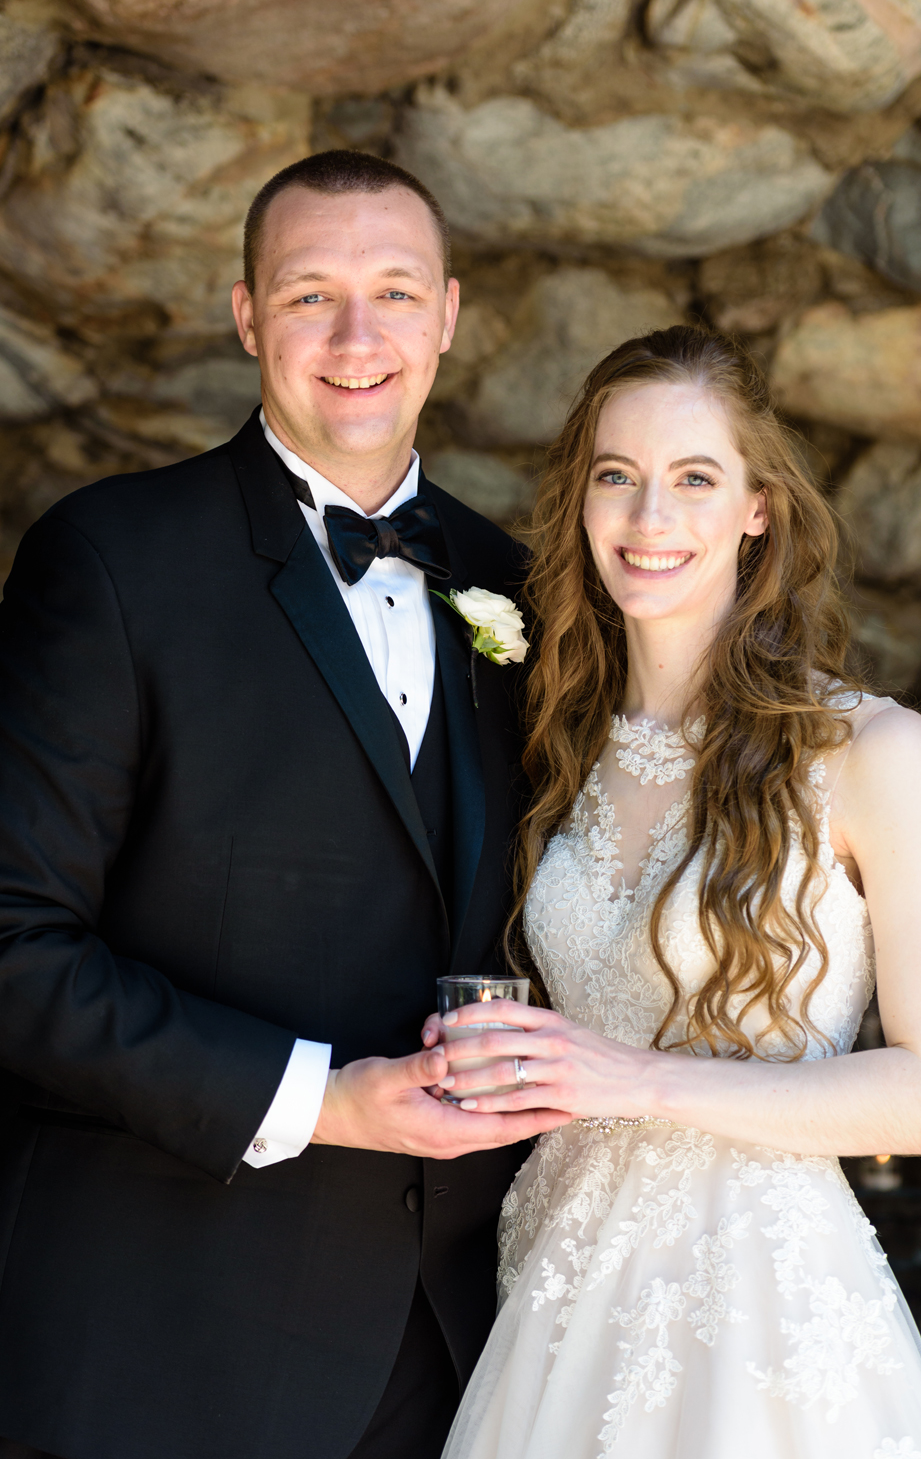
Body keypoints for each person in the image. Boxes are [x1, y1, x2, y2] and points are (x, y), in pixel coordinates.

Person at [0, 150, 565, 1459]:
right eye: (312, 295)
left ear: (451, 314)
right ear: (247, 314)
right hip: (165, 1342)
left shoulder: (520, 588)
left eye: (395, 292)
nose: (358, 337)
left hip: (456, 1355)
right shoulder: (111, 562)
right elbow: (17, 949)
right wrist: (328, 1101)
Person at [425, 326, 921, 1459]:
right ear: (579, 505)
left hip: (761, 1311)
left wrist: (632, 1079)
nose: (648, 520)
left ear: (757, 509)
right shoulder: (547, 746)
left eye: (693, 479)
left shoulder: (870, 749)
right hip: (553, 1295)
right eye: (615, 479)